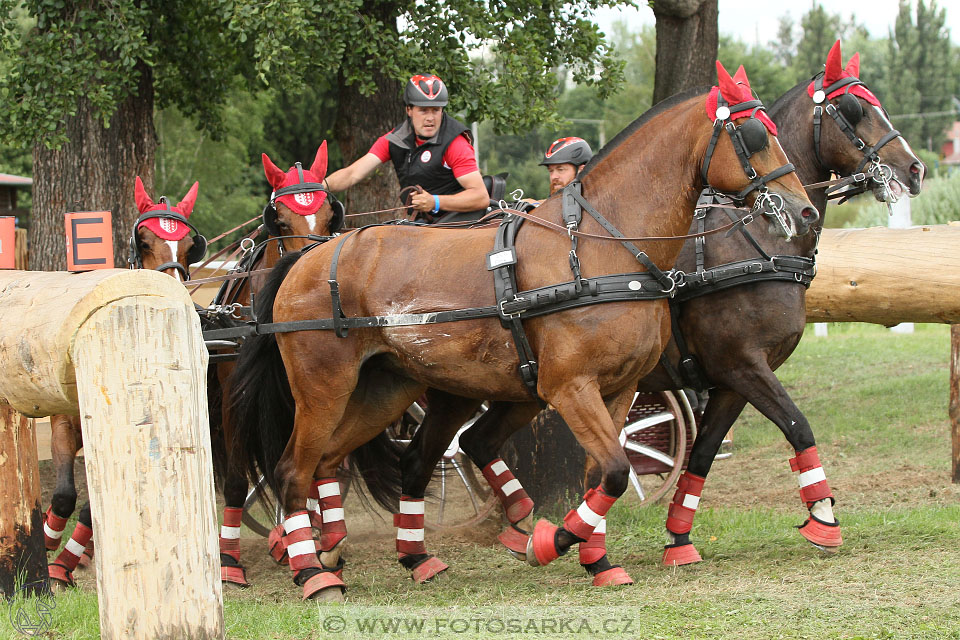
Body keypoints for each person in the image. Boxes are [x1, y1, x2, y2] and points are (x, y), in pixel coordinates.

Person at [323, 74, 489, 222]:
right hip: (424, 224)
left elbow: (480, 197)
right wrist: (319, 186)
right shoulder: (395, 139)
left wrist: (435, 202)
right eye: (423, 111)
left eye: (436, 110)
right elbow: (352, 174)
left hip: (458, 223)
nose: (430, 118)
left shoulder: (455, 143)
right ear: (409, 110)